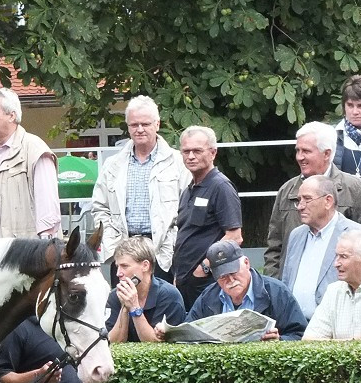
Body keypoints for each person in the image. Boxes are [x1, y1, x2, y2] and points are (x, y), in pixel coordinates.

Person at [263, 121, 361, 279]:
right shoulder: (287, 191)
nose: (299, 157)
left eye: (306, 151)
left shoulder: (355, 189)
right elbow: (274, 248)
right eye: (297, 150)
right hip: (293, 292)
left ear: (327, 153)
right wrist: (275, 288)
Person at [92, 96, 188, 282]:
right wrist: (112, 239)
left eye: (145, 123)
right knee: (124, 305)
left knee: (162, 304)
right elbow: (99, 206)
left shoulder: (177, 162)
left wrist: (174, 240)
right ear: (128, 127)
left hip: (163, 252)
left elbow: (187, 208)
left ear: (157, 124)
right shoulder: (113, 165)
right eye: (134, 124)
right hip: (123, 250)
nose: (140, 129)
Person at [281, 174, 361, 319]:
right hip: (297, 328)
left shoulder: (359, 235)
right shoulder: (296, 235)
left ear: (328, 201)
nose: (300, 206)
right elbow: (286, 282)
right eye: (298, 200)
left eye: (307, 199)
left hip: (339, 328)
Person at [172, 125, 243, 309]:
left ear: (213, 153)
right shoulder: (189, 189)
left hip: (207, 282)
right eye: (186, 151)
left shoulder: (221, 187)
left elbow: (234, 237)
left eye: (197, 151)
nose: (191, 156)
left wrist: (204, 268)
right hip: (184, 280)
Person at [0, 87, 61, 239]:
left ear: (11, 115)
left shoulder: (35, 149)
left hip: (26, 250)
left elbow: (48, 207)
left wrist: (46, 245)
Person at [182, 240, 307, 341]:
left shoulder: (277, 292)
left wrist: (279, 340)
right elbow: (187, 335)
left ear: (246, 263)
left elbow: (301, 335)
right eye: (222, 276)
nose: (230, 280)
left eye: (233, 272)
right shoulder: (208, 297)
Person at [105, 237, 186, 343]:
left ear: (145, 266)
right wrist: (125, 308)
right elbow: (112, 344)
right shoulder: (114, 295)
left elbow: (156, 347)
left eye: (124, 266)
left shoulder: (169, 296)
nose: (118, 273)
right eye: (117, 267)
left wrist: (134, 308)